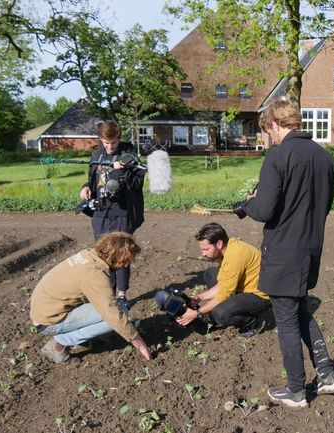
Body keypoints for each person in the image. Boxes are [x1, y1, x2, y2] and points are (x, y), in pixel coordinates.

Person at [232, 99, 334, 409]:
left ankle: (296, 390)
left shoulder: (278, 157)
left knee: (287, 319)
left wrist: (245, 205)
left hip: (284, 250)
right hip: (311, 247)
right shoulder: (326, 158)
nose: (270, 137)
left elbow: (266, 208)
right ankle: (327, 375)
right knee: (300, 309)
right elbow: (322, 206)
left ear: (277, 125)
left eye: (269, 130)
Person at [29, 232, 151, 364]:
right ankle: (58, 345)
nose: (127, 265)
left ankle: (81, 340)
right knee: (119, 313)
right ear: (119, 258)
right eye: (127, 260)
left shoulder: (88, 254)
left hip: (45, 307)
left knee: (110, 312)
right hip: (48, 320)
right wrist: (139, 342)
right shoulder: (95, 275)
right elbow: (113, 315)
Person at [79, 120, 145, 310]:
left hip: (121, 213)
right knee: (103, 254)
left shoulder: (129, 155)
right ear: (101, 140)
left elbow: (136, 183)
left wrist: (122, 170)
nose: (110, 147)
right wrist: (85, 188)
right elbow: (91, 179)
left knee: (121, 254)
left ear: (119, 138)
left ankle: (122, 294)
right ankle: (108, 290)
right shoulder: (96, 155)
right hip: (101, 212)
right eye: (106, 143)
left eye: (113, 143)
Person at [175, 223, 270, 339]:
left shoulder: (235, 255)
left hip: (261, 294)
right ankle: (231, 307)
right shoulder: (226, 249)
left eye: (206, 249)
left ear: (219, 244)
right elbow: (223, 284)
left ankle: (253, 323)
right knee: (210, 274)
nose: (203, 254)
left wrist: (197, 313)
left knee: (219, 313)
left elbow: (225, 292)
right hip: (243, 286)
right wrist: (199, 297)